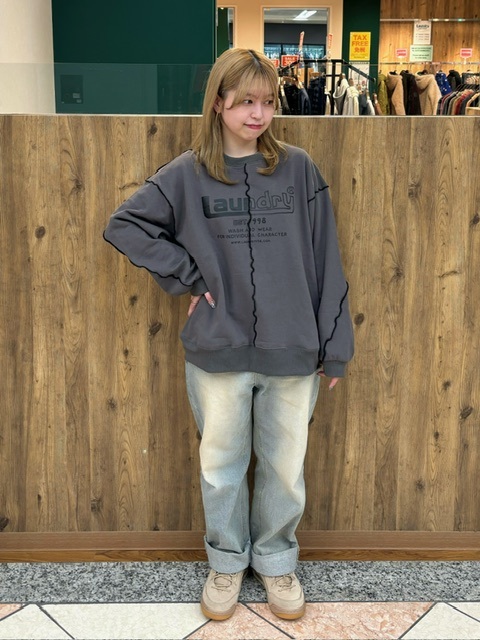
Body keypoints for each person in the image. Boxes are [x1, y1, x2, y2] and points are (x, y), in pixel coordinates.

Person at [104, 48, 354, 622]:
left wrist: (334, 346)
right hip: (216, 351)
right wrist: (190, 276)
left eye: (267, 102)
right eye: (245, 102)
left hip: (294, 349)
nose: (258, 114)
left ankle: (276, 561)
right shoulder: (186, 173)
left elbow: (327, 259)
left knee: (285, 468)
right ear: (218, 103)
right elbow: (126, 225)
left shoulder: (299, 169)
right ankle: (225, 563)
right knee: (220, 466)